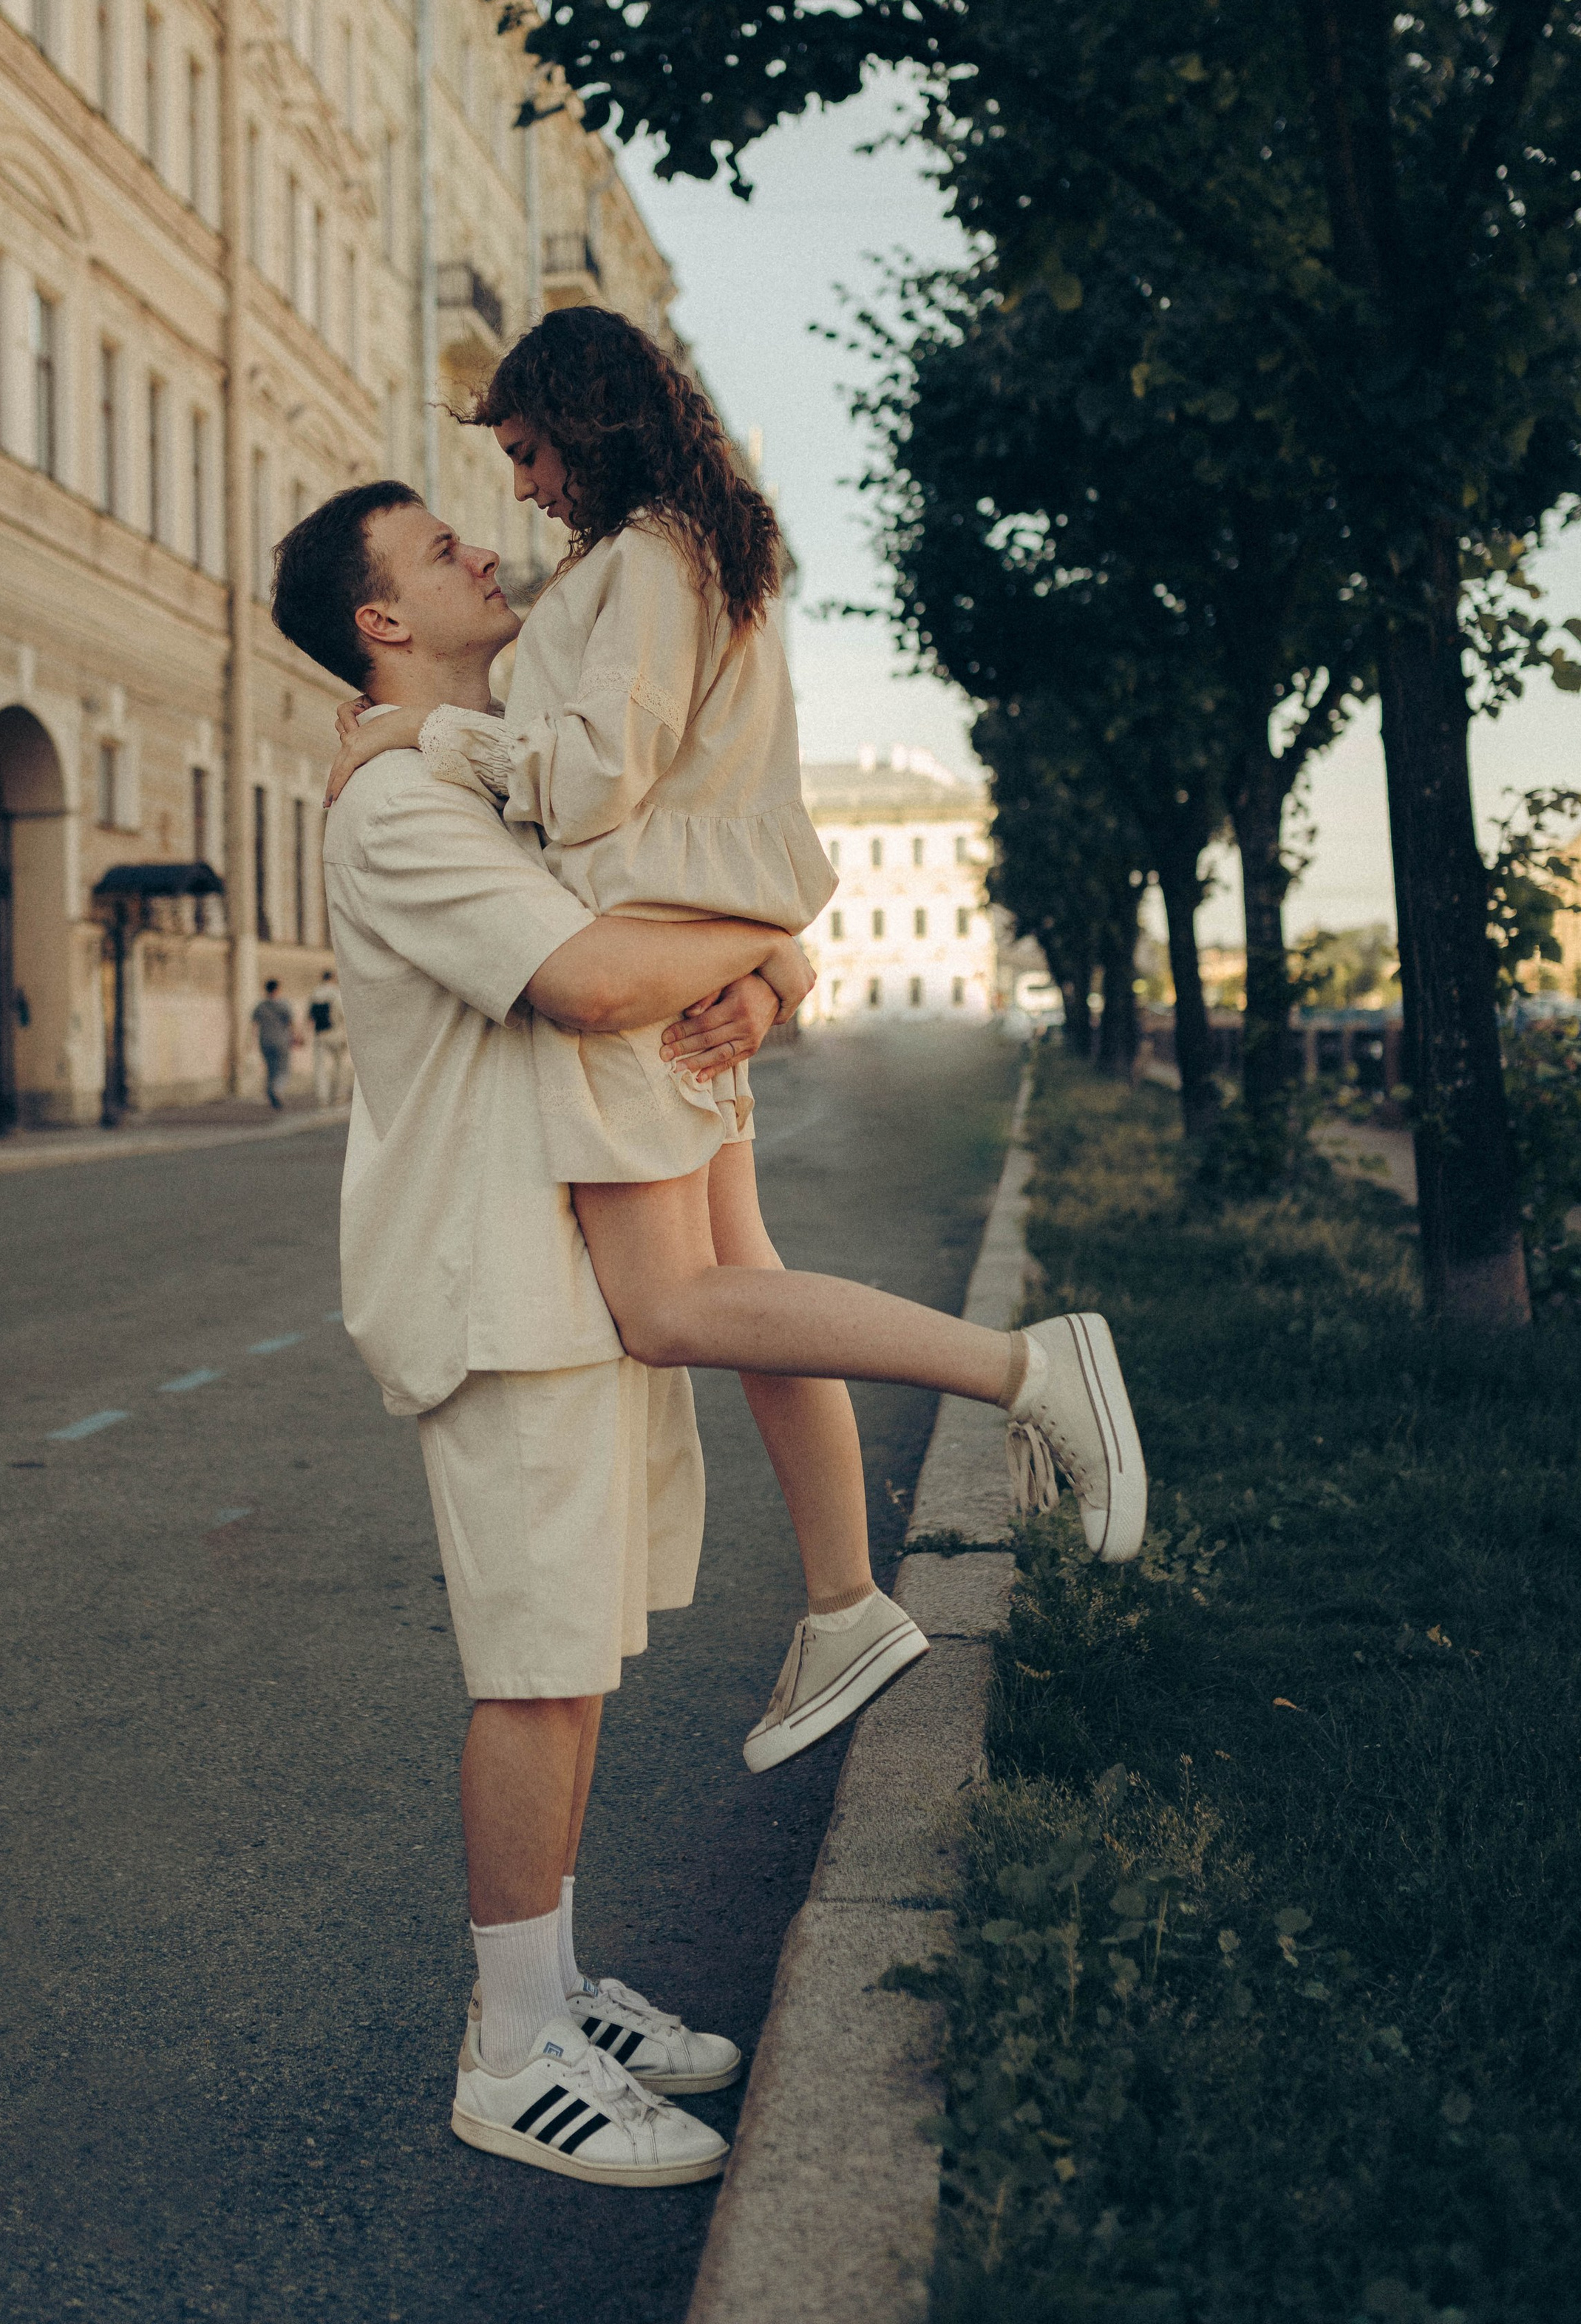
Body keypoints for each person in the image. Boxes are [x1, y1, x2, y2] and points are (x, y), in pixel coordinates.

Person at [324, 312, 1147, 1774]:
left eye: (522, 453)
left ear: (582, 424)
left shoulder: (647, 560)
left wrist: (431, 744)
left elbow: (592, 783)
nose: (515, 492)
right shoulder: (685, 551)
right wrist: (768, 961)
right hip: (693, 953)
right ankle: (841, 1599)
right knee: (743, 1283)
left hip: (643, 966)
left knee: (665, 1308)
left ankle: (1023, 1371)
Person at [281, 481, 815, 2186]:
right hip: (496, 1289)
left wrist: (767, 976)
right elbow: (593, 979)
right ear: (378, 622)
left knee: (571, 1661)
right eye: (437, 550)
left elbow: (652, 924)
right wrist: (770, 933)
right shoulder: (393, 812)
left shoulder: (489, 769)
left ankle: (555, 1987)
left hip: (567, 1266)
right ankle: (509, 2052)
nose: (482, 550)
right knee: (531, 1672)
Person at [251, 978, 295, 1109]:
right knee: (284, 1070)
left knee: (270, 1070)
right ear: (278, 989)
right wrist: (295, 1037)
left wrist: (250, 1042)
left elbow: (254, 1025)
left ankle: (270, 1092)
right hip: (281, 1041)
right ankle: (277, 1090)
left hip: (265, 1041)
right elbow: (290, 1023)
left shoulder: (260, 1006)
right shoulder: (283, 1005)